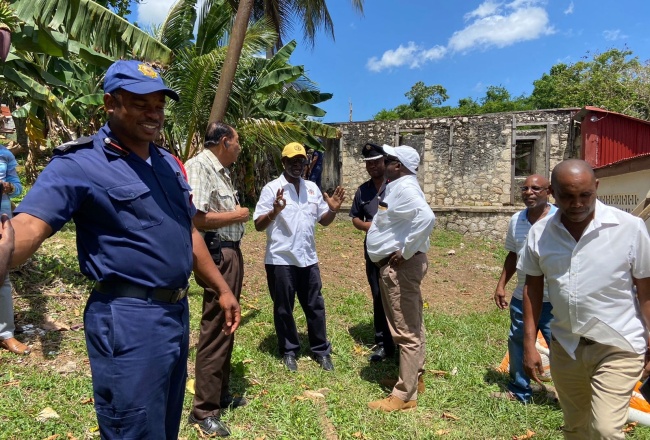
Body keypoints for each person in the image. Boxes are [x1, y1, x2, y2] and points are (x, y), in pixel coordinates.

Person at [9, 60, 241, 440]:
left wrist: (222, 287)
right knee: (131, 427)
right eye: (140, 103)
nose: (154, 114)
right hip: (128, 318)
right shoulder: (80, 163)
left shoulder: (167, 163)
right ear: (110, 103)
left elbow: (185, 230)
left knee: (163, 424)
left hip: (175, 313)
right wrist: (6, 244)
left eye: (159, 105)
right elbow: (30, 225)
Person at [520, 159, 650, 439]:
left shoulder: (628, 228)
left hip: (619, 345)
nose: (577, 203)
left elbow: (645, 290)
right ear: (553, 193)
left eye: (585, 195)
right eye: (567, 196)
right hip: (566, 346)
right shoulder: (540, 234)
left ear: (596, 188)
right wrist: (528, 344)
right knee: (576, 427)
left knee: (605, 430)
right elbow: (531, 289)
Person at [253, 142, 345, 372]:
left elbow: (323, 220)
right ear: (283, 162)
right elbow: (257, 224)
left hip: (308, 258)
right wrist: (274, 211)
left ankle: (321, 350)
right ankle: (289, 350)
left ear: (305, 163)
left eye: (301, 161)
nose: (297, 165)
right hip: (281, 259)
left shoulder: (312, 188)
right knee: (284, 307)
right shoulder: (272, 188)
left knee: (315, 305)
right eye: (292, 161)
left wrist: (333, 209)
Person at [185, 122, 249, 436]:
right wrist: (236, 215)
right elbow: (195, 218)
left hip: (228, 253)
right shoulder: (199, 167)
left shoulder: (219, 171)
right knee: (215, 327)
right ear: (225, 141)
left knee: (227, 324)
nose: (239, 147)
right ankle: (203, 411)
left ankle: (219, 394)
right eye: (237, 142)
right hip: (216, 255)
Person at [366, 145, 435, 412]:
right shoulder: (398, 185)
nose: (384, 162)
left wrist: (405, 251)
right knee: (413, 323)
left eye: (389, 159)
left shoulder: (405, 187)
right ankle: (414, 379)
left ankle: (405, 396)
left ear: (399, 165)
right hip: (398, 267)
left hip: (400, 269)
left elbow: (426, 217)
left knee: (405, 330)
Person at [492, 174, 556, 402]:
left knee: (560, 347)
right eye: (525, 188)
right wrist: (501, 285)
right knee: (518, 341)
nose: (529, 192)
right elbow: (513, 254)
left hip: (555, 299)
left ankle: (570, 395)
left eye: (536, 188)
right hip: (523, 295)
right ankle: (520, 391)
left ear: (548, 191)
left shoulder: (561, 218)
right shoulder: (516, 220)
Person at [349, 142, 395, 362]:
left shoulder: (396, 186)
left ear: (385, 162)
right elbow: (355, 217)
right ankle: (382, 342)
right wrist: (368, 226)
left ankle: (401, 340)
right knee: (378, 295)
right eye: (368, 163)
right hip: (373, 250)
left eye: (376, 162)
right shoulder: (363, 190)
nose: (372, 166)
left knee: (398, 295)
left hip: (396, 252)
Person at [0, 145, 26, 355]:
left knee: (2, 275)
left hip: (2, 219)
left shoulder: (5, 155)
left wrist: (9, 187)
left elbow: (19, 188)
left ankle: (6, 334)